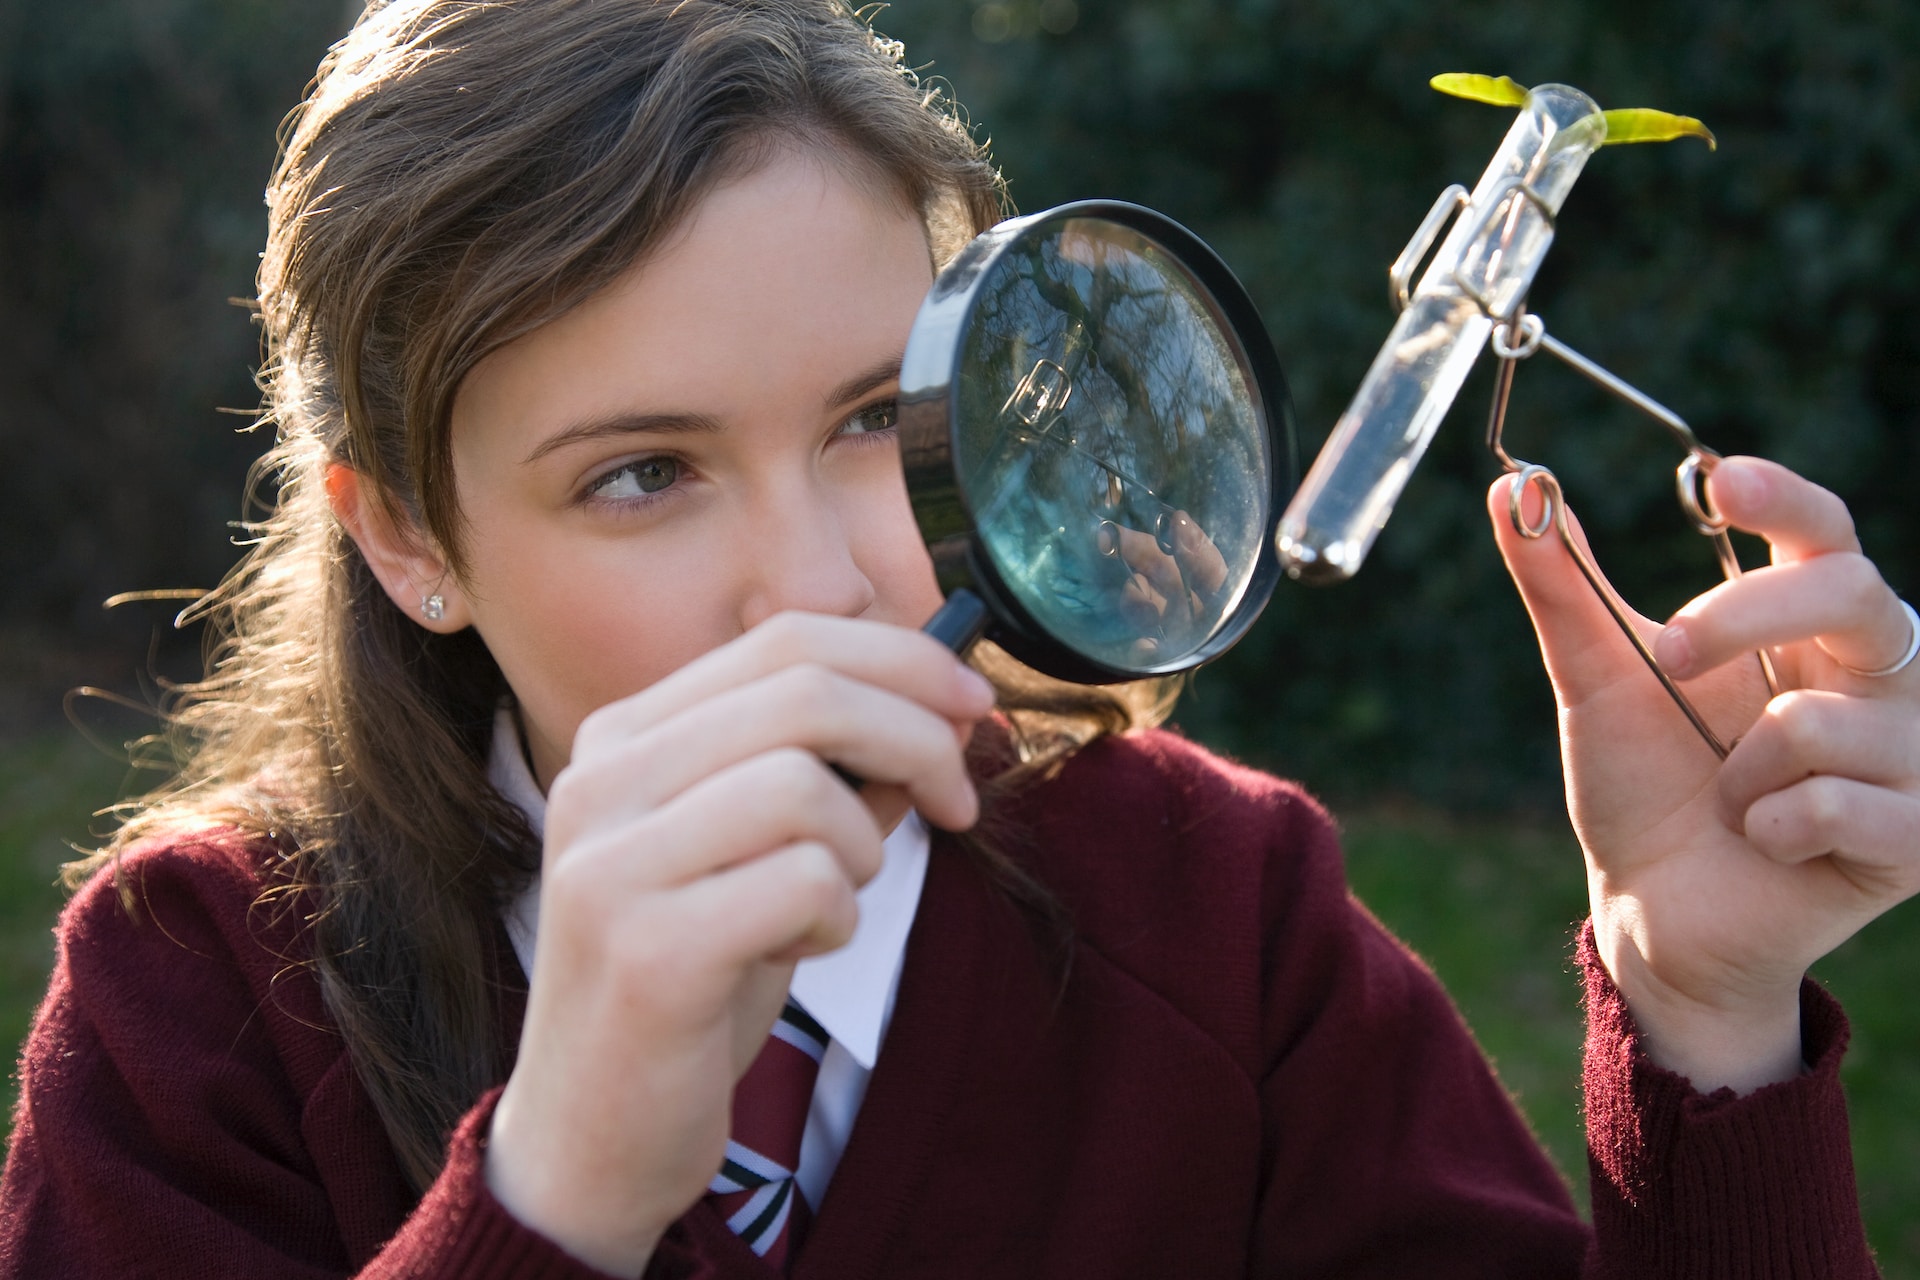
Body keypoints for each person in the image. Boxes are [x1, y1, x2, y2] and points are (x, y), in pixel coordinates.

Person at [2, 1, 1914, 1276]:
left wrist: (1705, 1010)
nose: (821, 584)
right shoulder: (201, 1005)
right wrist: (556, 1190)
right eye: (643, 474)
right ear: (413, 538)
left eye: (870, 421)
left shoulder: (1215, 912)